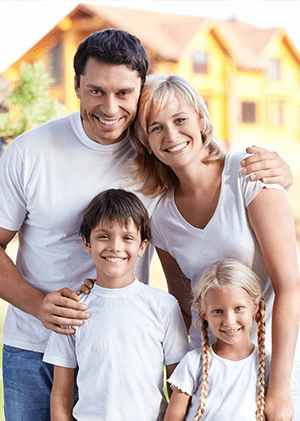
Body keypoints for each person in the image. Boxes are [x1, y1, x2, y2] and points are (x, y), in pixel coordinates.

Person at [0, 29, 292, 420]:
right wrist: (40, 305)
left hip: (157, 353)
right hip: (34, 345)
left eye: (123, 93)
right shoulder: (31, 153)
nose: (109, 107)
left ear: (139, 92)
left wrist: (280, 174)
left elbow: (285, 281)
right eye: (96, 91)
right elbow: (183, 304)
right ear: (77, 86)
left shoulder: (174, 168)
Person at [129, 73, 300, 421]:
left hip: (275, 363)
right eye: (156, 127)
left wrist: (278, 389)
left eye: (180, 120)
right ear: (145, 141)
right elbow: (184, 305)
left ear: (200, 118)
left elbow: (290, 286)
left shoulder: (248, 175)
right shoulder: (160, 215)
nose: (172, 135)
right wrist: (183, 382)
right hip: (212, 375)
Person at [43, 188, 189, 421]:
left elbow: (180, 387)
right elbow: (61, 395)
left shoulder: (163, 307)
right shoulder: (73, 310)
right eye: (103, 236)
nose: (115, 247)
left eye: (127, 238)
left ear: (142, 246)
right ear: (86, 242)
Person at [164, 259, 272, 421]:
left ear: (255, 306)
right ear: (203, 313)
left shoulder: (270, 365)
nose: (229, 321)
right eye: (218, 311)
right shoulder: (193, 363)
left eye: (238, 308)